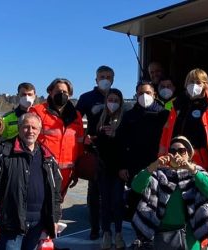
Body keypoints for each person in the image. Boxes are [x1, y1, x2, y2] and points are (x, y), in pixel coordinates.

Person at [0, 113, 63, 250]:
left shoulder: (47, 156)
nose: (30, 131)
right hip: (11, 225)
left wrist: (54, 219)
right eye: (26, 127)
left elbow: (56, 192)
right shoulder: (3, 152)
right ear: (19, 127)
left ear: (40, 130)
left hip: (38, 225)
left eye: (34, 128)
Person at [131, 136, 208, 250]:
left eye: (181, 151)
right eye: (172, 151)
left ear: (188, 154)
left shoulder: (197, 172)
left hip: (189, 236)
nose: (176, 155)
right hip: (162, 235)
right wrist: (152, 166)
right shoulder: (158, 173)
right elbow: (136, 187)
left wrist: (192, 170)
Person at [116, 81, 170, 248]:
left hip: (159, 166)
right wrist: (122, 166)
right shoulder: (129, 115)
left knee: (157, 201)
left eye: (147, 92)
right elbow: (121, 142)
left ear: (154, 94)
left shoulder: (163, 114)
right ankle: (139, 236)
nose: (143, 96)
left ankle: (157, 236)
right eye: (140, 93)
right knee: (135, 202)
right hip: (134, 166)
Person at [75, 65, 115, 240]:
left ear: (113, 79)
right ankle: (94, 228)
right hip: (94, 151)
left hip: (114, 150)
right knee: (94, 192)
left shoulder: (116, 96)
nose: (105, 79)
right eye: (102, 77)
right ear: (96, 79)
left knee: (113, 190)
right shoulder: (86, 98)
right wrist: (84, 139)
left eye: (108, 76)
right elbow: (75, 122)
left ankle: (111, 225)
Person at [29, 78, 85, 199]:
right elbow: (28, 140)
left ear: (70, 95)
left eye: (66, 92)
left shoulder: (76, 116)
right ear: (50, 91)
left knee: (57, 206)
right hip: (42, 169)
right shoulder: (38, 111)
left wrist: (77, 170)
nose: (62, 94)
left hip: (66, 172)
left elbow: (79, 144)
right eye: (59, 91)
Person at [85, 88, 126, 249]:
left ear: (121, 103)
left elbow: (127, 144)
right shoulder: (99, 118)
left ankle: (119, 233)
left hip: (118, 169)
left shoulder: (124, 119)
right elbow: (94, 144)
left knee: (117, 201)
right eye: (110, 100)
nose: (113, 103)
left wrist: (116, 134)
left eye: (116, 101)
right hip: (102, 168)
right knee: (105, 202)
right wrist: (91, 140)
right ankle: (106, 233)